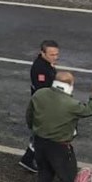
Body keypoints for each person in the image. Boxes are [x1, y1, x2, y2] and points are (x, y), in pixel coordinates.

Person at [26, 71, 92, 182]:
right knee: (68, 179)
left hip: (40, 142)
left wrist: (35, 130)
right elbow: (89, 109)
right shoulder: (71, 104)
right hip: (59, 146)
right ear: (70, 85)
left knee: (44, 176)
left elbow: (29, 115)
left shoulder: (39, 94)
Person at [21, 40, 60, 173]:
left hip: (44, 104)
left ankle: (29, 158)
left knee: (39, 135)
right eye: (51, 54)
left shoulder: (47, 65)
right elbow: (42, 90)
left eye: (56, 54)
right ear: (42, 53)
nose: (55, 57)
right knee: (40, 135)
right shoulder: (40, 69)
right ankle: (29, 159)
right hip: (43, 106)